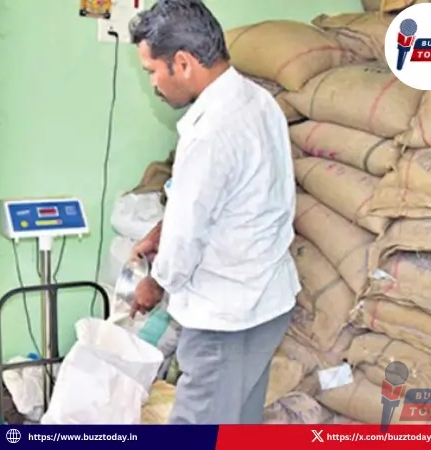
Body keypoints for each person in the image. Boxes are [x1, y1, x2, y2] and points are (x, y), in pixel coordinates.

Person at [128, 0, 300, 424]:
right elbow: (222, 199)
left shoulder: (210, 131)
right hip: (266, 302)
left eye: (153, 71)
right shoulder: (257, 101)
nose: (153, 84)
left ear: (183, 63)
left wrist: (154, 284)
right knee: (238, 424)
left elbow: (186, 242)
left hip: (225, 317)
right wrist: (160, 230)